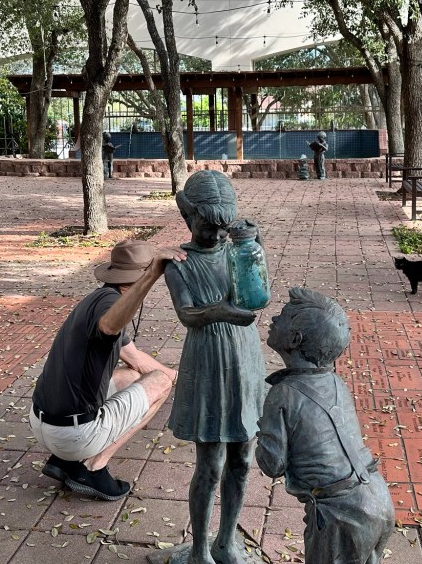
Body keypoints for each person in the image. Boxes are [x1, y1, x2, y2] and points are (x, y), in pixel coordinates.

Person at [164, 170, 266, 564]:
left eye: (224, 229)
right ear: (187, 216)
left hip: (245, 357)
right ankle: (200, 549)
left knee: (243, 457)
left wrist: (254, 244)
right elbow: (187, 313)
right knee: (211, 463)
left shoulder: (236, 248)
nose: (218, 236)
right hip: (207, 360)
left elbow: (257, 287)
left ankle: (227, 540)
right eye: (209, 228)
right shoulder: (179, 262)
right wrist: (218, 311)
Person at [29, 239, 182, 501]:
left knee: (134, 375)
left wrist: (181, 377)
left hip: (43, 423)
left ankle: (64, 462)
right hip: (74, 434)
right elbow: (110, 326)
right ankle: (92, 467)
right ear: (139, 279)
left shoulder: (96, 298)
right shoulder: (109, 308)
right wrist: (153, 272)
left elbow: (137, 360)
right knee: (160, 385)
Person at [256, 288, 395, 564]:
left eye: (282, 317)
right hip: (378, 497)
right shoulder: (335, 382)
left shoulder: (282, 394)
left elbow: (272, 465)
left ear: (295, 339)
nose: (273, 319)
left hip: (340, 514)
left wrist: (262, 426)